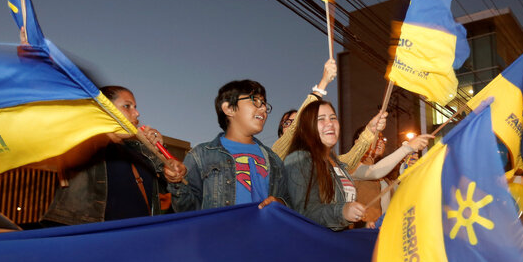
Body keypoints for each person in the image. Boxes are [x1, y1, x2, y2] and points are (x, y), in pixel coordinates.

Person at [42, 86, 185, 225]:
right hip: (94, 240)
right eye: (127, 106)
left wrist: (159, 152)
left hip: (137, 239)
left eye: (135, 107)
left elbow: (170, 191)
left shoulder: (138, 152)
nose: (136, 113)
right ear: (105, 110)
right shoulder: (84, 145)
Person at [284, 100, 431, 230]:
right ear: (307, 127)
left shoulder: (336, 163)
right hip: (318, 247)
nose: (329, 123)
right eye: (321, 119)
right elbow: (305, 212)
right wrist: (343, 212)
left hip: (350, 240)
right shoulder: (299, 159)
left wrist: (361, 224)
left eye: (333, 118)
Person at [167, 80, 287, 211]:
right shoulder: (200, 156)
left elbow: (288, 200)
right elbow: (186, 210)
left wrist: (281, 203)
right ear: (229, 108)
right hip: (219, 231)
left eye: (264, 103)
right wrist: (177, 183)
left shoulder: (274, 160)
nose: (263, 108)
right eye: (255, 100)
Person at [273, 58, 388, 170]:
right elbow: (295, 128)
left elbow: (347, 163)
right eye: (287, 123)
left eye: (333, 118)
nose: (329, 123)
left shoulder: (324, 160)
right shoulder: (276, 153)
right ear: (280, 132)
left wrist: (369, 131)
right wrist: (323, 83)